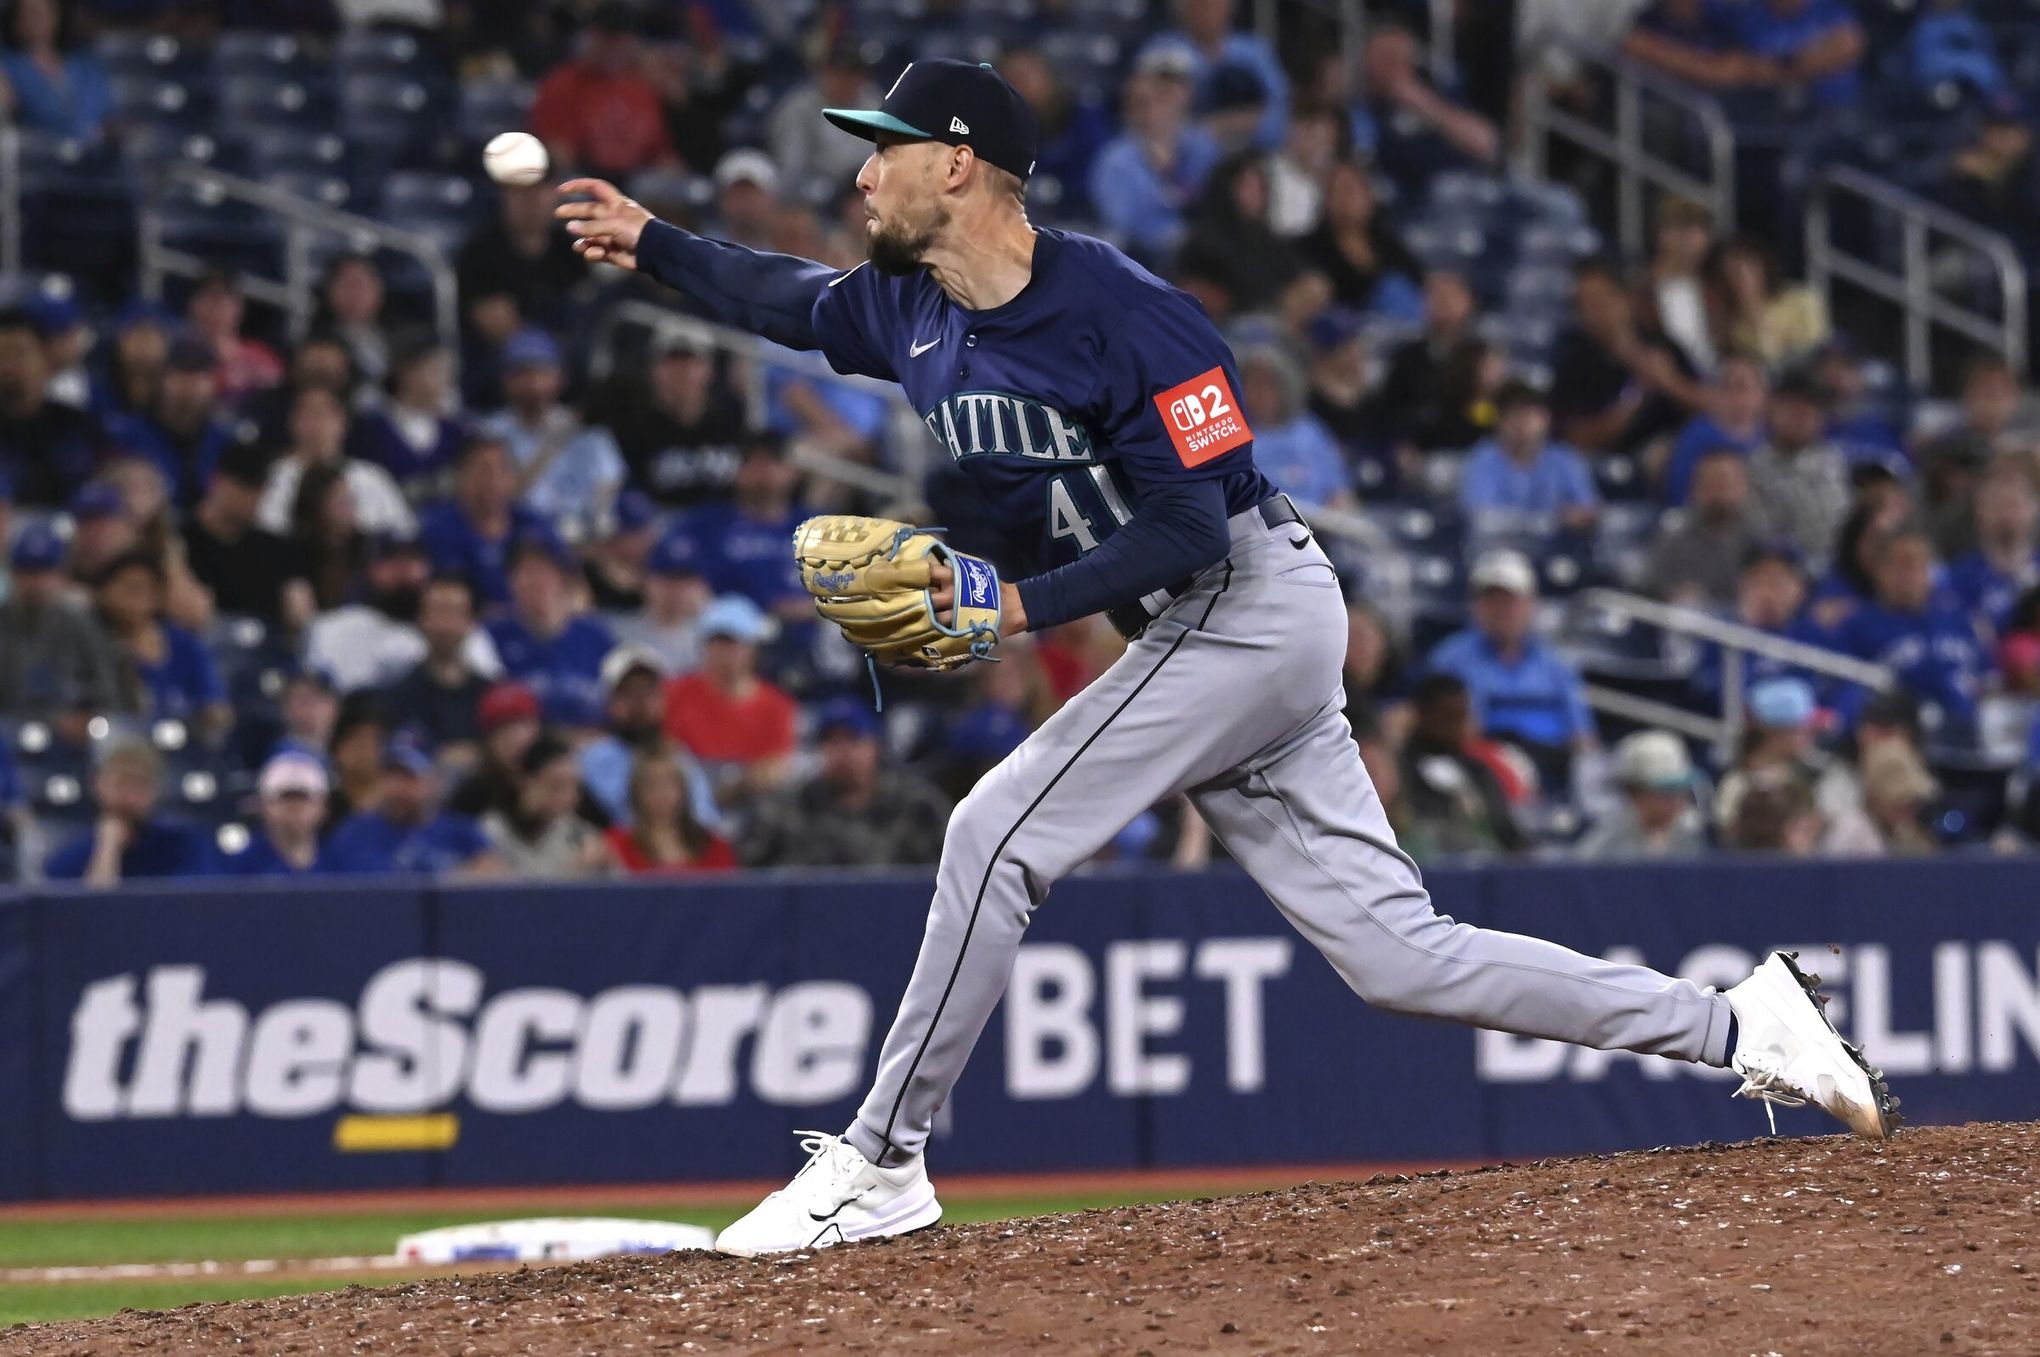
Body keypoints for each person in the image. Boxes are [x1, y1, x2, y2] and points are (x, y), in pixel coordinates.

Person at [556, 57, 1894, 1256]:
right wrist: (653, 242)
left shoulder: (1132, 314)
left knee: (992, 834)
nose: (861, 169)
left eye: (887, 145)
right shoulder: (906, 308)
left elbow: (1193, 522)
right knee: (1399, 957)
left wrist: (1018, 612)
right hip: (1204, 642)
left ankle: (881, 1163)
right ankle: (1743, 1024)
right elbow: (785, 299)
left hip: (1247, 602)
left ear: (957, 164)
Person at [1426, 550, 1597, 786]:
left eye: (1510, 601)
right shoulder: (1450, 658)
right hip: (1482, 765)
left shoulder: (1557, 662)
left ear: (1530, 605)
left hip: (1552, 763)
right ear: (1477, 606)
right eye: (1492, 600)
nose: (1502, 610)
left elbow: (1582, 735)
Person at [741, 698, 951, 868]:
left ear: (875, 746)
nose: (843, 752)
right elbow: (750, 875)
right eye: (831, 741)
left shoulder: (915, 804)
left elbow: (948, 876)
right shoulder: (790, 806)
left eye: (854, 739)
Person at [1836, 523, 1992, 736]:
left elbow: (1989, 681)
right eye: (1899, 564)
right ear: (1879, 570)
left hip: (1970, 736)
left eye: (1917, 564)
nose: (1908, 575)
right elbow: (1848, 697)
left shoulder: (1961, 619)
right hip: (1900, 737)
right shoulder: (1858, 625)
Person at [306, 529, 500, 693]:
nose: (403, 569)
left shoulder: (461, 631)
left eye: (412, 559)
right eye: (390, 558)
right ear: (369, 569)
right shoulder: (333, 628)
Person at [1549, 260, 1703, 456]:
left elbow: (1712, 407)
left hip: (1679, 447)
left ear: (1625, 299)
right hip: (1615, 462)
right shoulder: (1574, 360)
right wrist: (1634, 395)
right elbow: (1572, 439)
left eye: (1598, 301)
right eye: (1582, 305)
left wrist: (1668, 381)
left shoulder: (1660, 343)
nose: (1591, 314)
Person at [660, 594, 796, 811]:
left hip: (749, 803)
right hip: (685, 796)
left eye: (733, 643)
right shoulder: (675, 693)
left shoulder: (777, 706)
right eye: (716, 642)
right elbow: (665, 752)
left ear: (752, 648)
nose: (724, 653)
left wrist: (740, 782)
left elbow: (773, 769)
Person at [477, 328, 626, 522]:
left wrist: (593, 520)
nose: (533, 383)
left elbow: (610, 485)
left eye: (542, 372)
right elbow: (497, 500)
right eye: (522, 373)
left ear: (561, 378)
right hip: (516, 535)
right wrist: (549, 446)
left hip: (581, 534)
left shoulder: (586, 429)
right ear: (505, 379)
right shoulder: (488, 432)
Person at [1088, 45, 1221, 261]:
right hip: (1139, 259)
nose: (1151, 109)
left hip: (1199, 253)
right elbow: (1125, 225)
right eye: (1140, 103)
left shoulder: (1199, 145)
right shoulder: (1115, 161)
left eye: (1160, 98)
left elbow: (1216, 199)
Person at [596, 327, 747, 508]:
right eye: (671, 361)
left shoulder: (731, 419)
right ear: (653, 370)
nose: (681, 371)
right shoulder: (632, 427)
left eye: (690, 362)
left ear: (709, 370)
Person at [664, 433, 809, 619]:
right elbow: (673, 575)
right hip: (724, 632)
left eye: (772, 462)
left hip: (806, 634)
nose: (763, 473)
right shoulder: (706, 523)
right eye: (752, 463)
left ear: (793, 471)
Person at [528, 1, 678, 179]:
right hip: (584, 177)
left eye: (619, 39)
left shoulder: (645, 84)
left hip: (639, 180)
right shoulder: (563, 84)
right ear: (589, 38)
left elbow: (663, 153)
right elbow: (558, 154)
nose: (612, 46)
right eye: (605, 38)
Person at [577, 643, 718, 830]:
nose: (640, 704)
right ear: (610, 702)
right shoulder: (588, 762)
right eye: (629, 693)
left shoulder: (679, 758)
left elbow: (707, 823)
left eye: (649, 692)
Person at [91, 550, 231, 739]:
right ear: (104, 592)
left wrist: (210, 717)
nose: (136, 600)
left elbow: (214, 703)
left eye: (144, 590)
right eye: (129, 589)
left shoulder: (184, 643)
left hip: (180, 743)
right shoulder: (91, 643)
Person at [0, 525, 122, 737]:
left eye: (44, 571)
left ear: (61, 574)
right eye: (26, 571)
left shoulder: (79, 621)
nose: (35, 582)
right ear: (12, 574)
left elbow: (106, 692)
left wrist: (87, 718)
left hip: (70, 740)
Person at [1353, 18, 1499, 195]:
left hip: (1472, 187)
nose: (1393, 69)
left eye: (1401, 59)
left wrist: (1423, 103)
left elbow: (1487, 144)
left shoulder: (1436, 95)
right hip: (1421, 198)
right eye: (1386, 59)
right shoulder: (1364, 110)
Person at [485, 525, 616, 722]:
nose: (535, 581)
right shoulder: (492, 637)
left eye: (544, 570)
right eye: (525, 571)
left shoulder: (596, 635)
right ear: (510, 580)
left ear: (564, 578)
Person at [180, 441, 315, 631]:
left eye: (261, 488)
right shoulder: (179, 541)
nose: (254, 497)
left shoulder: (279, 548)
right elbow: (191, 615)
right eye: (246, 486)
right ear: (216, 481)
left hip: (268, 653)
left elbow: (301, 616)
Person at [1396, 672, 1529, 858]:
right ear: (1421, 715)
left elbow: (1507, 831)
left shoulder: (1479, 771)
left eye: (1462, 715)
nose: (1456, 725)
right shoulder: (1401, 773)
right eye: (1447, 715)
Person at [324, 736, 498, 875]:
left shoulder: (462, 833)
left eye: (409, 777)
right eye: (390, 776)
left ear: (433, 781)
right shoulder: (354, 835)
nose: (397, 787)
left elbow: (493, 876)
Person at [257, 386, 414, 538]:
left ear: (344, 422)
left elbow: (403, 531)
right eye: (308, 413)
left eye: (326, 413)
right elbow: (268, 528)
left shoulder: (371, 476)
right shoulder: (278, 474)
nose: (318, 421)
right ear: (293, 423)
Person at [44, 737, 206, 884]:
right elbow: (91, 909)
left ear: (157, 790)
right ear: (99, 784)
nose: (129, 795)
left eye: (140, 784)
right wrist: (107, 848)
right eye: (121, 783)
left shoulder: (182, 845)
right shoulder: (70, 855)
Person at [102, 335, 240, 506]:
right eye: (181, 374)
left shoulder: (227, 439)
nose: (190, 385)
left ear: (213, 383)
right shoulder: (126, 433)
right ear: (163, 379)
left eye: (200, 376)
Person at [456, 181, 592, 355]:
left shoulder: (568, 248)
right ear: (505, 196)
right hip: (497, 360)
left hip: (565, 356)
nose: (532, 202)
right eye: (522, 194)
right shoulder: (479, 250)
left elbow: (583, 309)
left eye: (539, 193)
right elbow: (495, 325)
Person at [1138, 0, 1291, 151]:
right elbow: (1153, 119)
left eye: (1218, 3)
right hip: (1182, 161)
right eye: (1202, 3)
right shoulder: (1162, 51)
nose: (1211, 10)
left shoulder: (1256, 51)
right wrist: (1210, 130)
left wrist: (1226, 124)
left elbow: (1279, 115)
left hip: (1252, 158)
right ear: (1184, 8)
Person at [1459, 382, 1600, 541]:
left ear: (1545, 419)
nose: (1521, 424)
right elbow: (1482, 518)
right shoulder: (1482, 459)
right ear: (1499, 421)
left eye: (1529, 415)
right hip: (1499, 550)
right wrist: (1552, 520)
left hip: (1557, 549)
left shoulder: (1565, 459)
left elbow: (1589, 511)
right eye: (1513, 415)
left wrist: (1578, 516)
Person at [418, 434, 545, 607]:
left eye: (503, 469)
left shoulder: (533, 523)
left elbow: (572, 586)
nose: (494, 480)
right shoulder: (438, 527)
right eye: (484, 470)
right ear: (460, 477)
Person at [379, 574, 495, 763]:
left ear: (471, 621)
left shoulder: (489, 694)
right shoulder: (397, 696)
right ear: (421, 619)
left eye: (455, 613)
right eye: (438, 612)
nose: (445, 625)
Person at [1745, 372, 1852, 573]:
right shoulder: (1753, 469)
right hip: (1783, 574)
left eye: (1812, 407)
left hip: (1839, 572)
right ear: (1772, 409)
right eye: (1793, 405)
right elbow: (1761, 539)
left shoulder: (1836, 461)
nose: (1803, 414)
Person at [0, 306, 106, 508]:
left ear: (45, 358)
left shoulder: (81, 426)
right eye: (2, 354)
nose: (9, 366)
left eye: (19, 353)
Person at [479, 733, 612, 879]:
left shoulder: (582, 837)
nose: (569, 797)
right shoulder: (490, 833)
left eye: (575, 787)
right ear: (524, 781)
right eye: (556, 785)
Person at [1236, 345, 1350, 512]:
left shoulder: (1310, 431)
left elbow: (1339, 493)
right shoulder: (1232, 437)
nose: (1264, 394)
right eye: (1256, 385)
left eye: (1272, 385)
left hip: (1319, 527)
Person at [1299, 158, 1420, 313]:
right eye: (1340, 190)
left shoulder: (1391, 245)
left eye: (1356, 189)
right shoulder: (1306, 249)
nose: (1349, 198)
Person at [1645, 449, 1763, 607]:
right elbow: (1650, 587)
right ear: (1695, 488)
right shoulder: (1675, 534)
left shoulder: (1760, 538)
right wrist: (1672, 593)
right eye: (1710, 483)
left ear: (1743, 487)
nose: (1718, 492)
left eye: (1725, 483)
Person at [355, 337, 465, 495]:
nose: (444, 382)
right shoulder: (370, 429)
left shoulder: (455, 432)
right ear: (407, 373)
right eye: (435, 371)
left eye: (446, 373)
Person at [1575, 730, 1708, 860]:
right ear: (1634, 792)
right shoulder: (1605, 845)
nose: (1677, 800)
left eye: (1681, 789)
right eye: (1666, 791)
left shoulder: (1693, 835)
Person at [1947, 457, 2040, 637]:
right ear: (1980, 511)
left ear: (2034, 509)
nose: (2007, 512)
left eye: (2015, 503)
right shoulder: (1958, 577)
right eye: (1998, 503)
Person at [1663, 352, 1770, 506]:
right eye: (1728, 388)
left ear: (1761, 394)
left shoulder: (1773, 434)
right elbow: (1680, 495)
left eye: (1744, 387)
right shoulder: (1696, 438)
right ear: (1716, 393)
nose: (1738, 397)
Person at [604, 749, 736, 874]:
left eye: (669, 782)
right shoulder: (617, 846)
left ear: (684, 788)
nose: (661, 793)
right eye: (651, 784)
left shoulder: (714, 846)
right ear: (636, 791)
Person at [1711, 236, 1832, 372]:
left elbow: (1818, 350)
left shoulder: (1803, 300)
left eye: (1749, 266)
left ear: (1764, 266)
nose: (1742, 276)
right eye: (1732, 271)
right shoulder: (1735, 325)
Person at [0, 0, 112, 142]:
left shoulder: (83, 62)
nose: (37, 20)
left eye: (44, 12)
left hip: (93, 153)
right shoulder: (8, 65)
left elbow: (106, 111)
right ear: (15, 20)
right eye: (30, 13)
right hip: (40, 153)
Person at [211, 751, 334, 877]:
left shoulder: (339, 864)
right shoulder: (236, 868)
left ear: (324, 807)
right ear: (261, 805)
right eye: (284, 798)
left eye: (303, 798)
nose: (294, 808)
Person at [611, 530, 709, 673]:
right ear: (646, 580)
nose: (675, 588)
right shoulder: (617, 633)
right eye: (667, 577)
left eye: (683, 579)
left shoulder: (711, 639)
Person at [184, 270, 284, 401]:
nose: (215, 307)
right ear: (193, 305)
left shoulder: (260, 355)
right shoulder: (180, 355)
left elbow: (278, 390)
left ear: (239, 307)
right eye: (207, 297)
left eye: (224, 298)